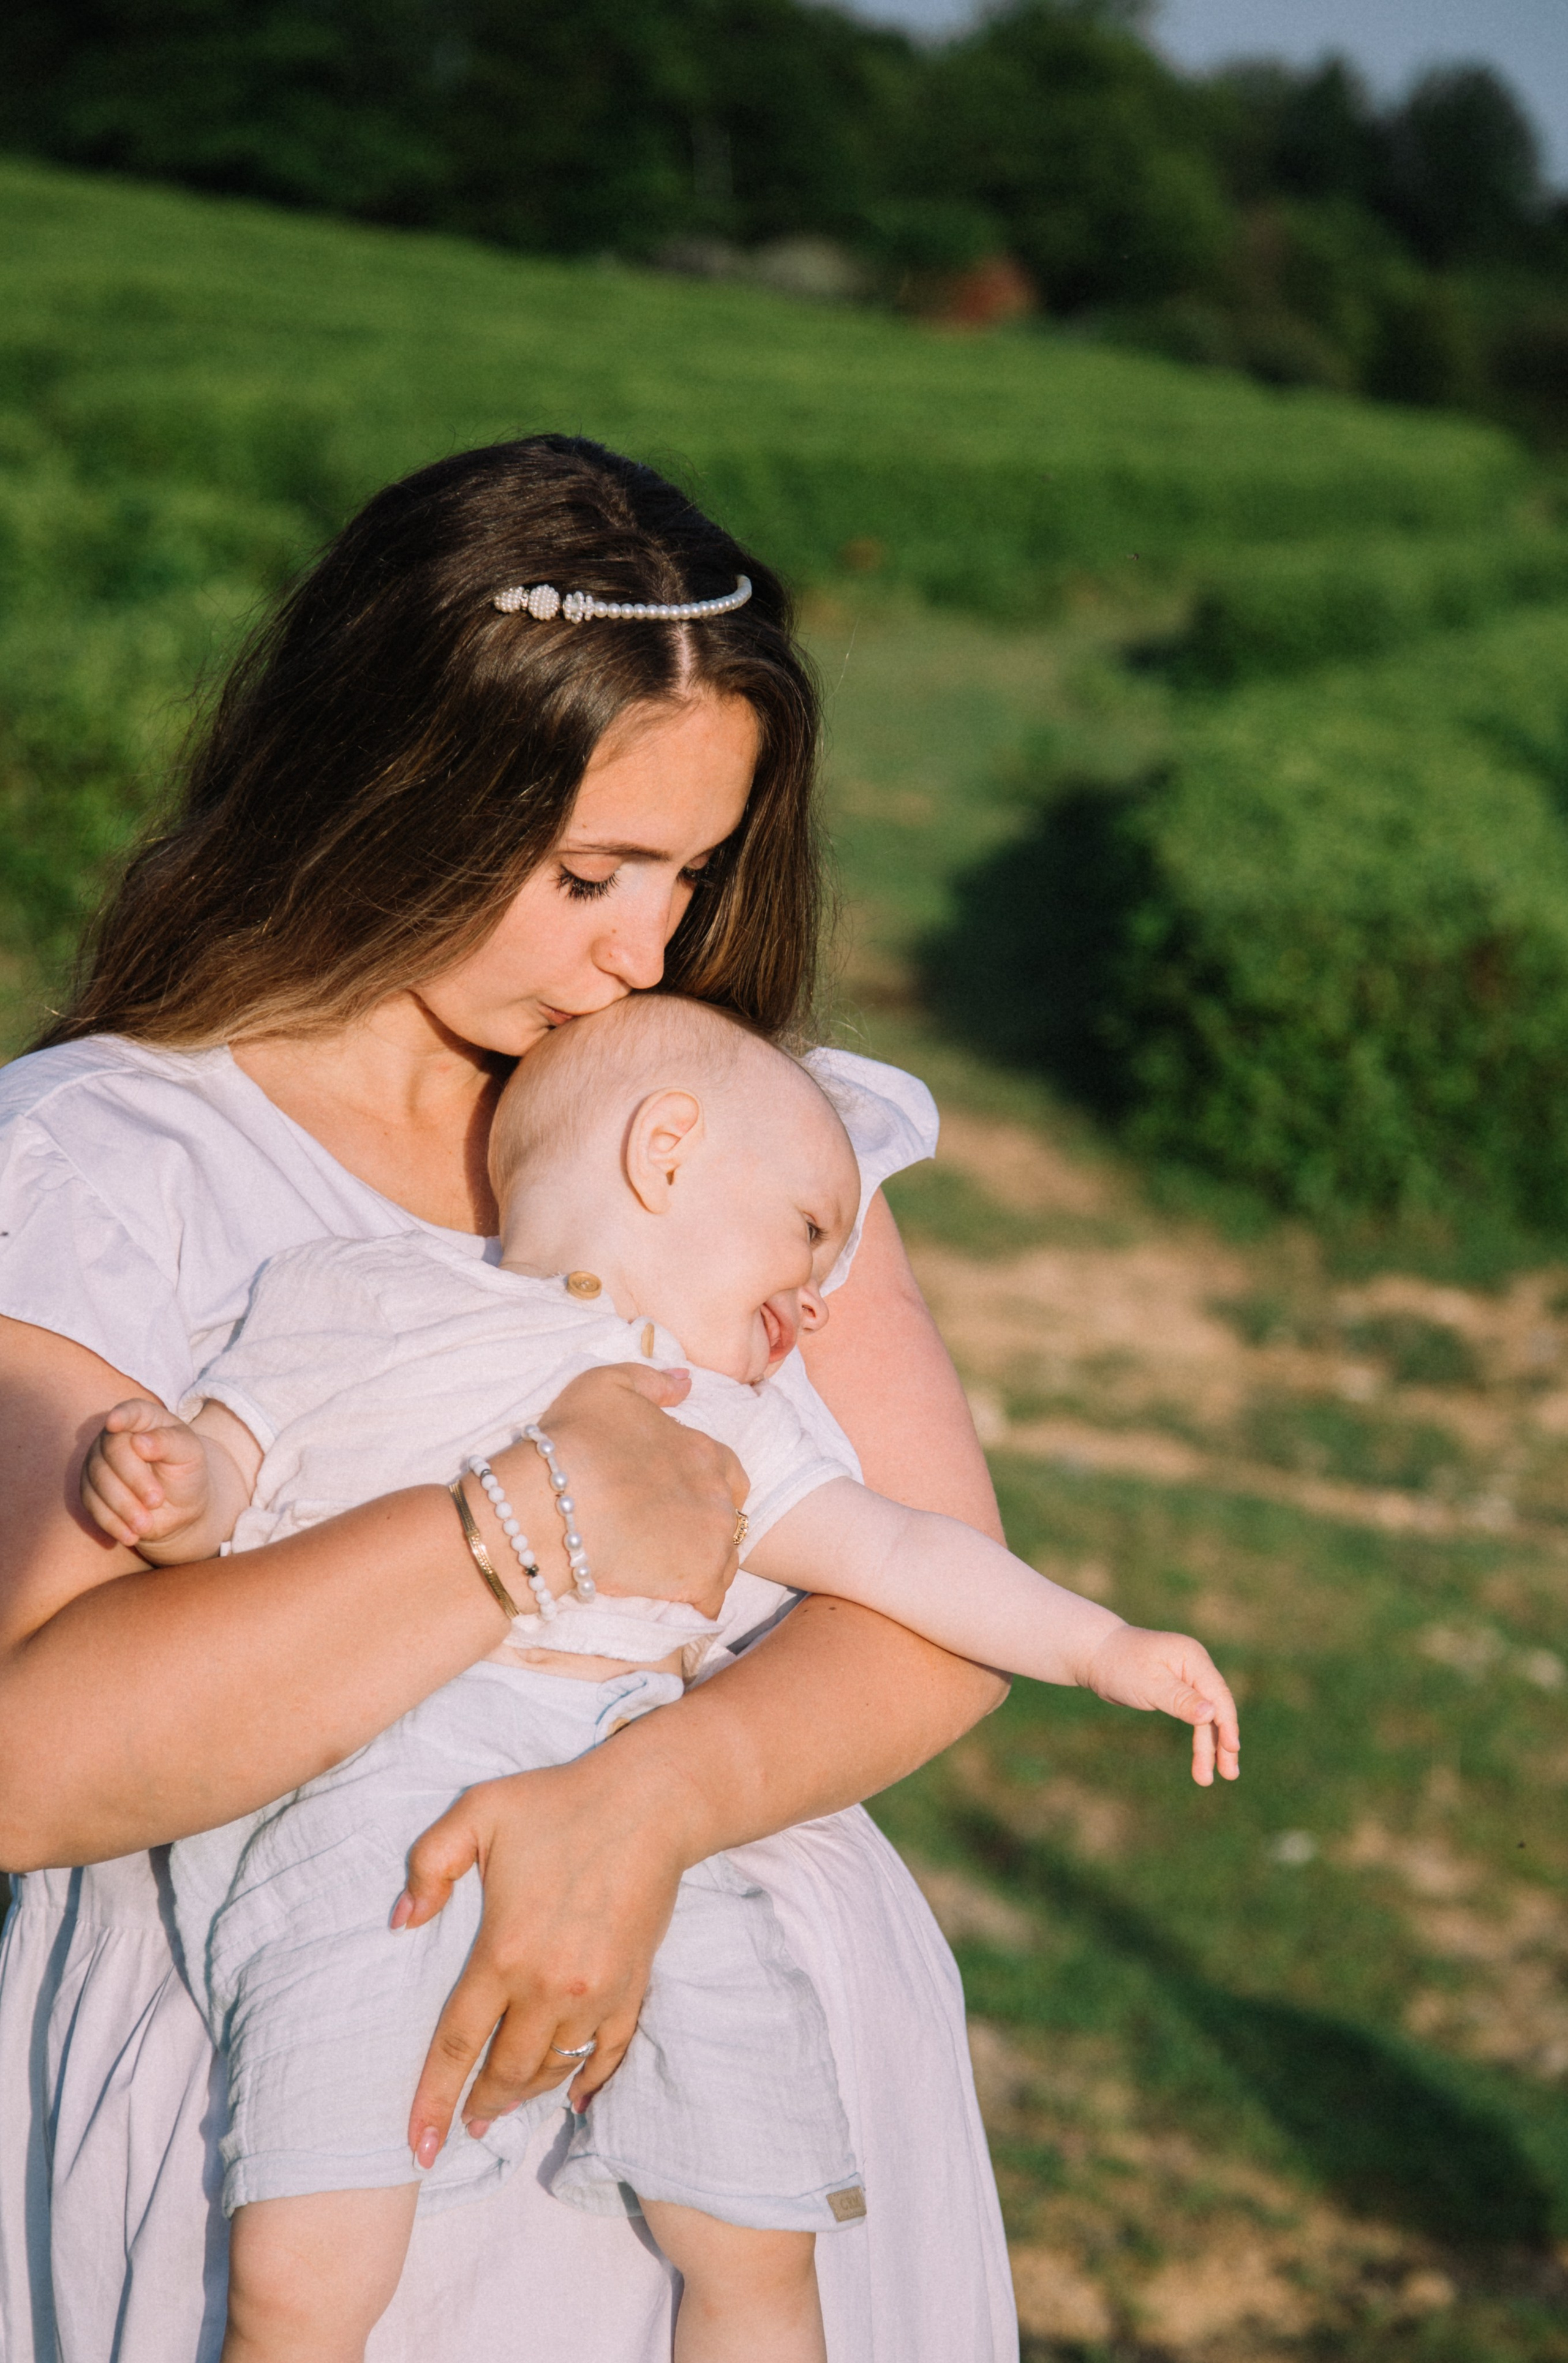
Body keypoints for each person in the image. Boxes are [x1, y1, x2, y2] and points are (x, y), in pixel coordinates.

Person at [0, 433, 1028, 2363]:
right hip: (285, 2104)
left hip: (745, 2075)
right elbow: (33, 1758)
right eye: (587, 873)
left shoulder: (715, 1126)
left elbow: (936, 1610)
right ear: (389, 791)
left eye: (692, 872)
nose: (650, 951)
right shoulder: (99, 1167)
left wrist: (643, 1806)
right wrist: (523, 1522)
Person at [80, 995, 1239, 2363]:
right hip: (362, 1816)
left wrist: (1099, 1645)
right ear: (667, 1151)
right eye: (810, 1229)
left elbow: (902, 1547)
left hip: (642, 1815)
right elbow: (239, 1466)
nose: (819, 1292)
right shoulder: (361, 1296)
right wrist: (174, 1486)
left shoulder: (709, 1420)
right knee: (304, 2261)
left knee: (756, 2236)